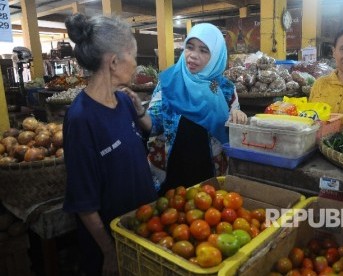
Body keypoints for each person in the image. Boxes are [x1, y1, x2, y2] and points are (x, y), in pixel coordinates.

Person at [62, 14, 157, 276]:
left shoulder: (125, 102)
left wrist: (140, 112)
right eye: (134, 56)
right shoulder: (81, 119)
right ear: (114, 62)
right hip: (113, 243)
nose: (137, 64)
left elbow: (136, 149)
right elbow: (83, 201)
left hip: (142, 230)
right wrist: (109, 251)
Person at [138, 23, 247, 195]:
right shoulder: (169, 82)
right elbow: (154, 123)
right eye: (190, 47)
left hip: (210, 171)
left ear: (217, 55)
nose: (193, 56)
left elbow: (234, 133)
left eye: (203, 50)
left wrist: (238, 116)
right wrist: (139, 112)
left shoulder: (226, 89)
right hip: (171, 170)